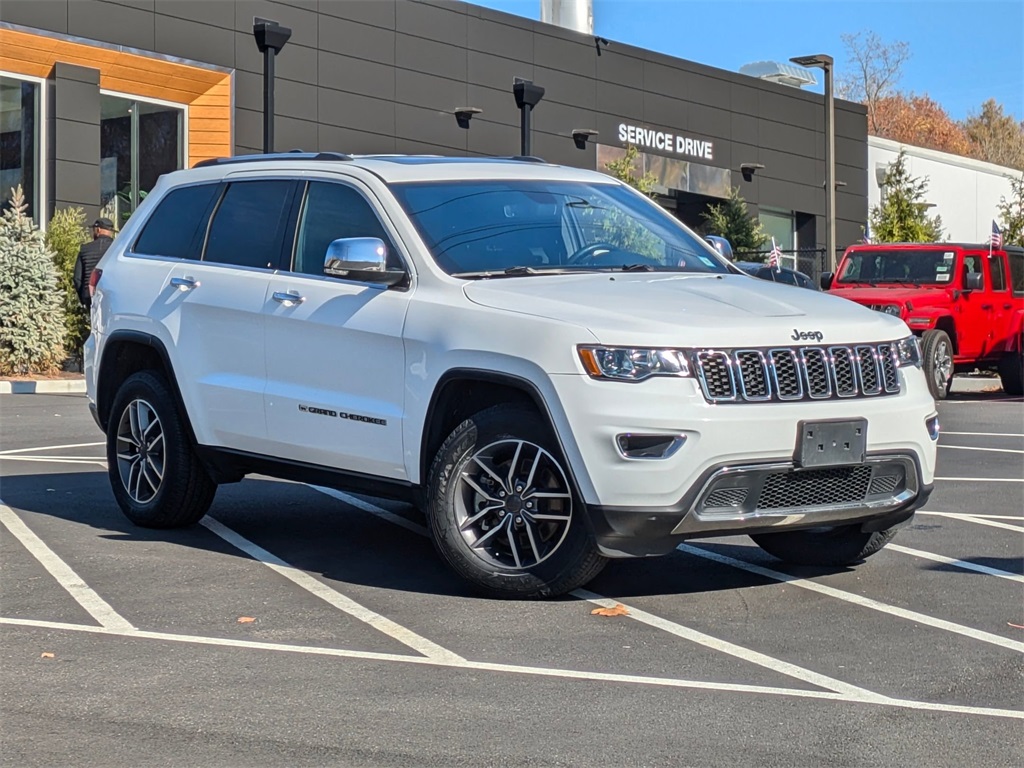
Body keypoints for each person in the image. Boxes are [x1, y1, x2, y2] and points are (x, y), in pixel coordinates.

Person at [73, 217, 114, 309]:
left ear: (98, 230)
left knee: (94, 322)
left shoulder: (85, 249)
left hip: (90, 295)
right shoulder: (117, 248)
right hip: (111, 295)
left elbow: (77, 278)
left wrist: (83, 298)